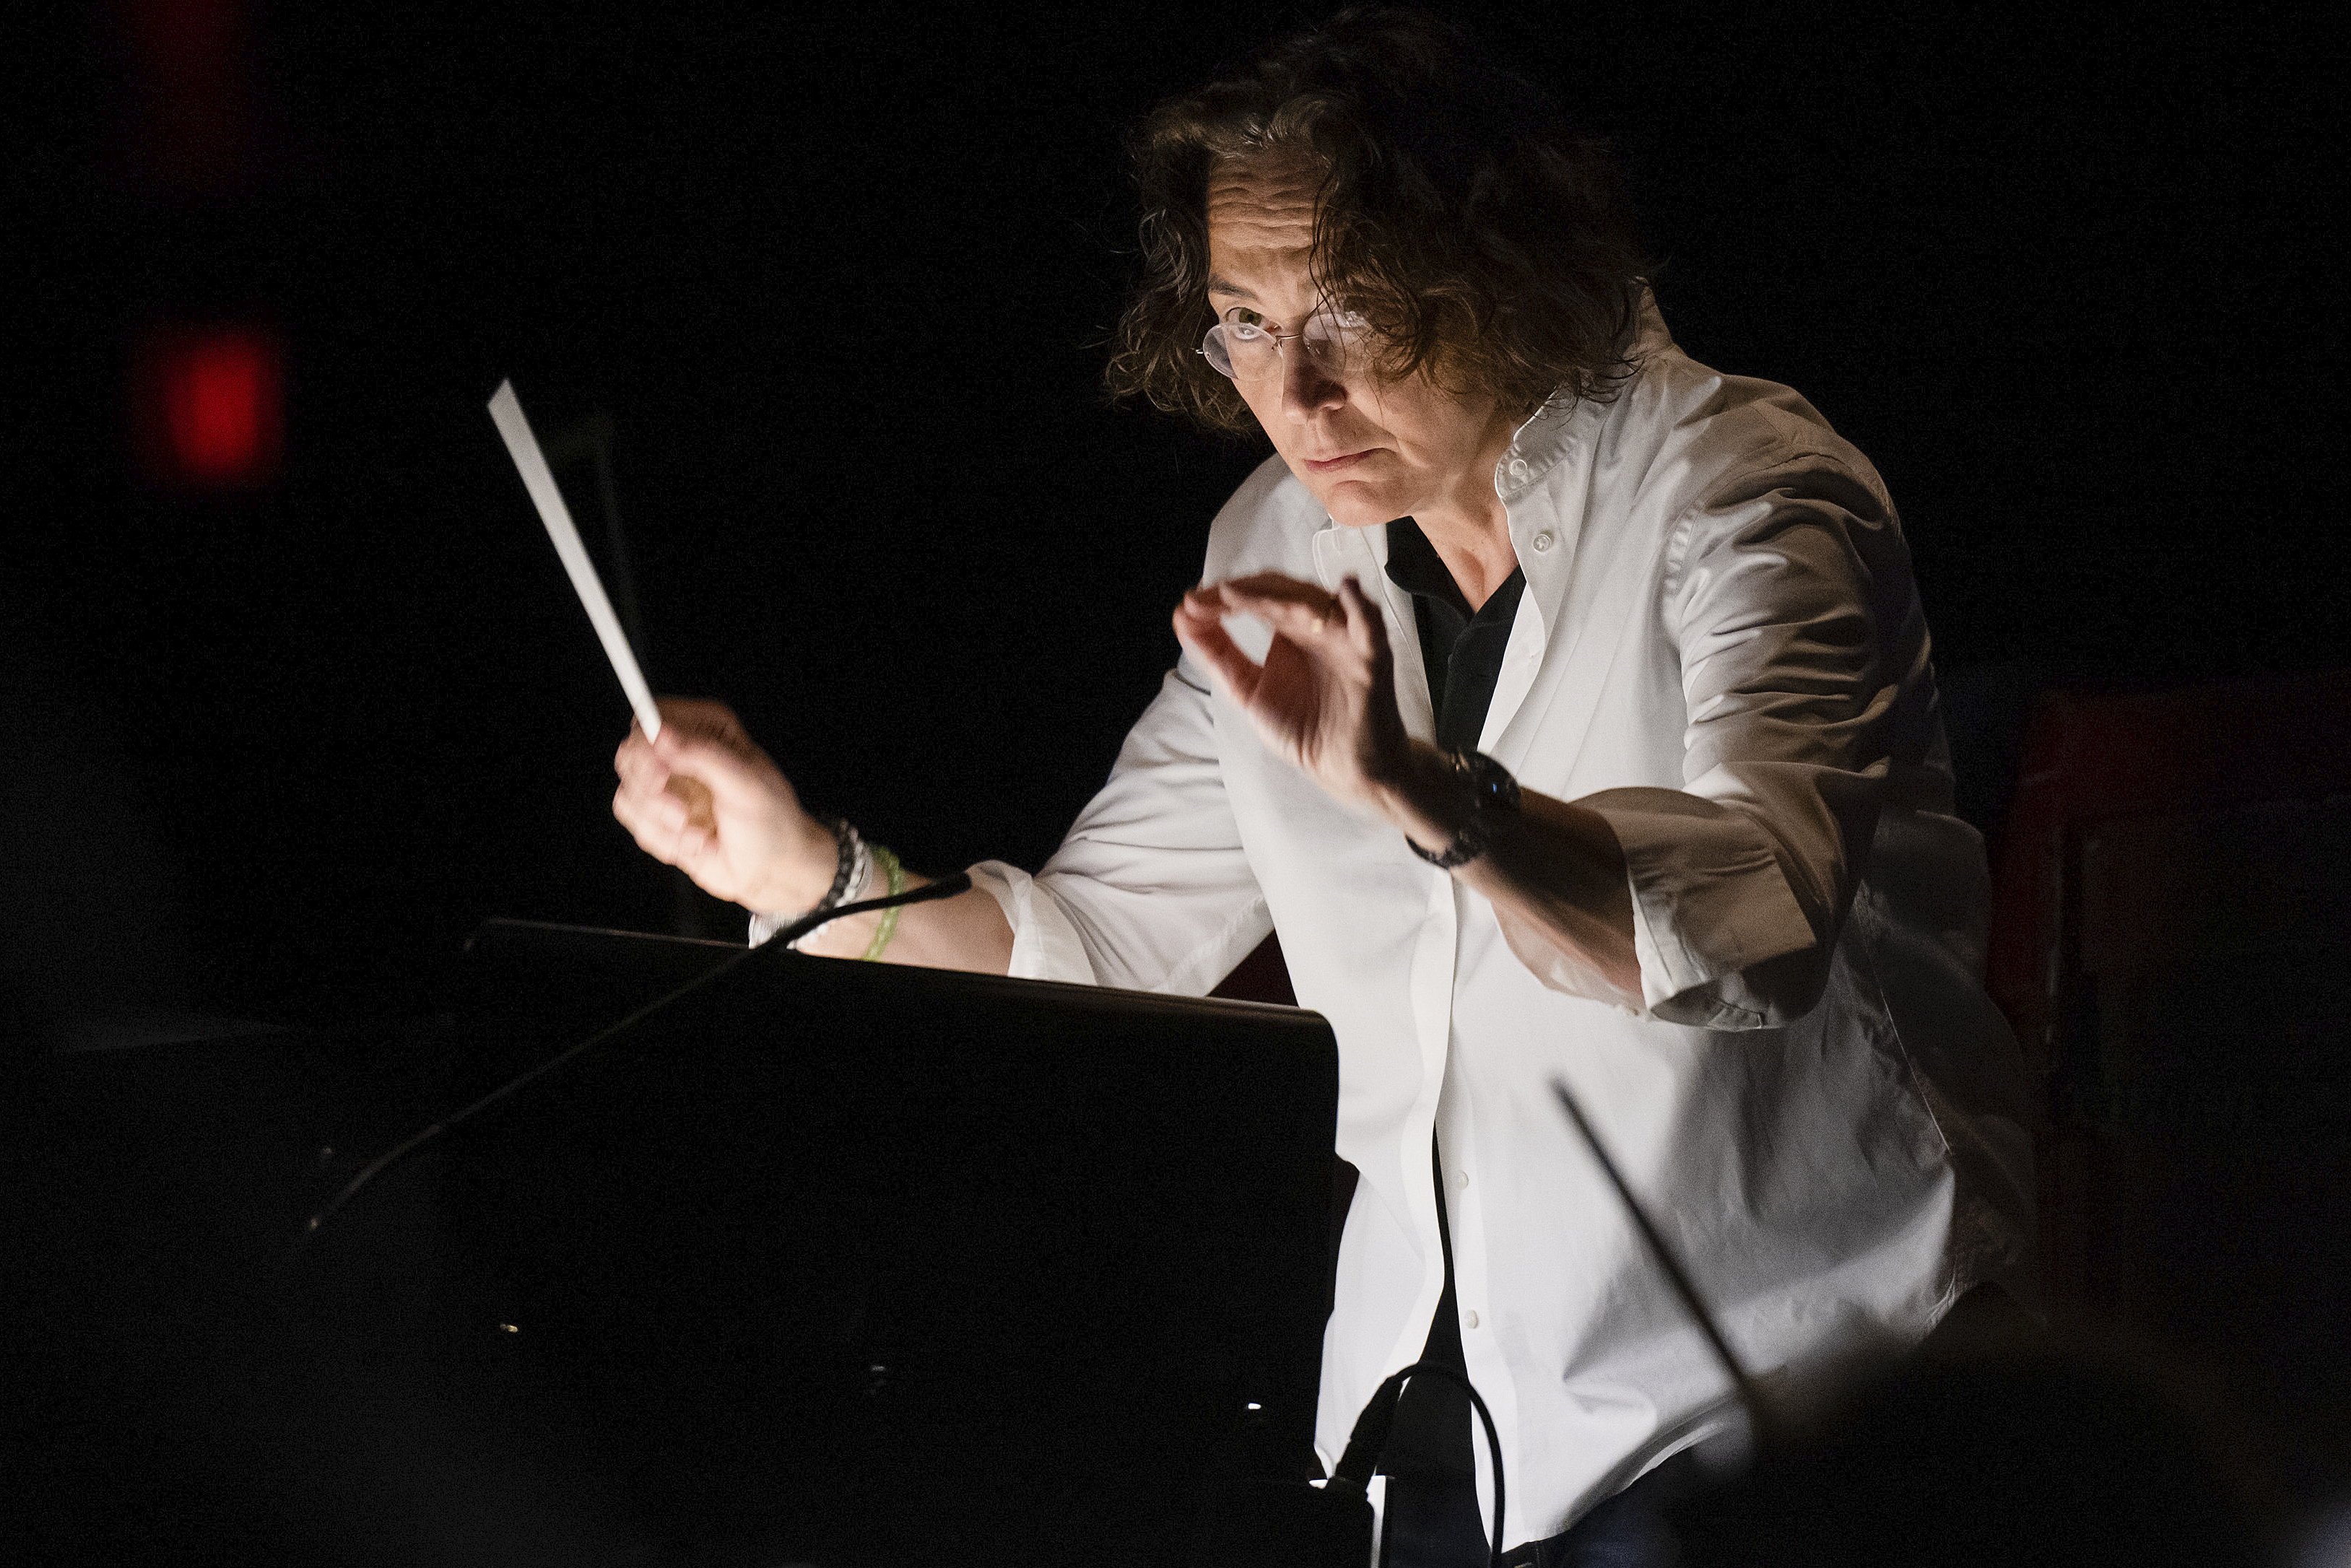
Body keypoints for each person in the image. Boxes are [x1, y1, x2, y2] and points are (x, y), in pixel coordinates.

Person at [611, 9, 2034, 1564]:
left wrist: (1420, 790)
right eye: (1242, 320)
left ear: (1498, 275)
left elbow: (1755, 920)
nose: (1295, 392)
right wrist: (799, 871)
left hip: (1791, 1410)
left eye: (1351, 310)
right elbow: (1095, 953)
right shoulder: (1271, 546)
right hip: (1439, 1434)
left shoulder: (1747, 485)